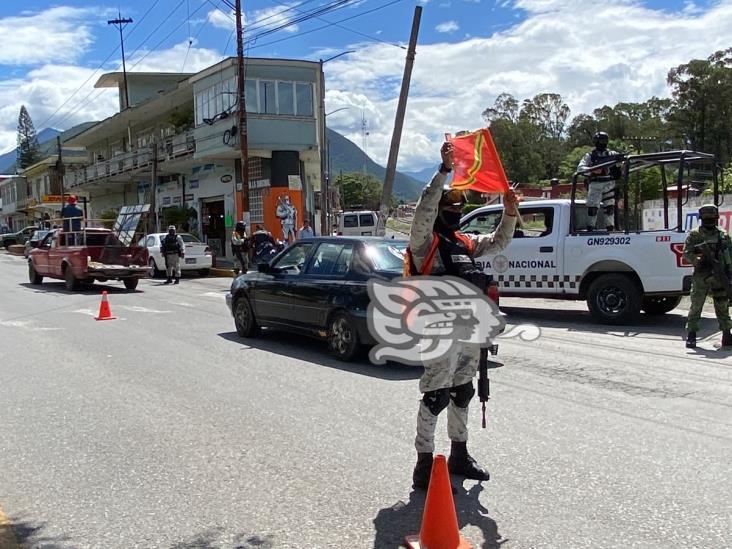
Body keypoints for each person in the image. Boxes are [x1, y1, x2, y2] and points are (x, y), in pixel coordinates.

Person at [408, 140, 520, 490]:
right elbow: (423, 211)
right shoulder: (425, 244)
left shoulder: (465, 242)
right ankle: (424, 462)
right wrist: (443, 172)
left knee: (462, 391)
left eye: (460, 202)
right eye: (450, 202)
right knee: (435, 395)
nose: (456, 208)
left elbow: (499, 242)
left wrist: (510, 212)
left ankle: (459, 454)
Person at [683, 204, 732, 348]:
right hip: (701, 276)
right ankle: (691, 335)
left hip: (719, 275)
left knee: (722, 306)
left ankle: (727, 335)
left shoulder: (723, 235)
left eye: (711, 218)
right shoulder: (694, 235)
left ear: (716, 218)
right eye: (707, 218)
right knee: (696, 305)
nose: (709, 221)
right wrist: (698, 261)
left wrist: (729, 275)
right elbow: (686, 253)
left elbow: (729, 256)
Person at [577, 131, 621, 231]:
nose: (601, 143)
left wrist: (620, 166)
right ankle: (590, 228)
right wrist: (593, 170)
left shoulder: (612, 154)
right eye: (599, 141)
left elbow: (621, 162)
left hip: (609, 184)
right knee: (592, 208)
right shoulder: (590, 156)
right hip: (595, 184)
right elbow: (580, 169)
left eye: (603, 141)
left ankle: (610, 229)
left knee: (610, 208)